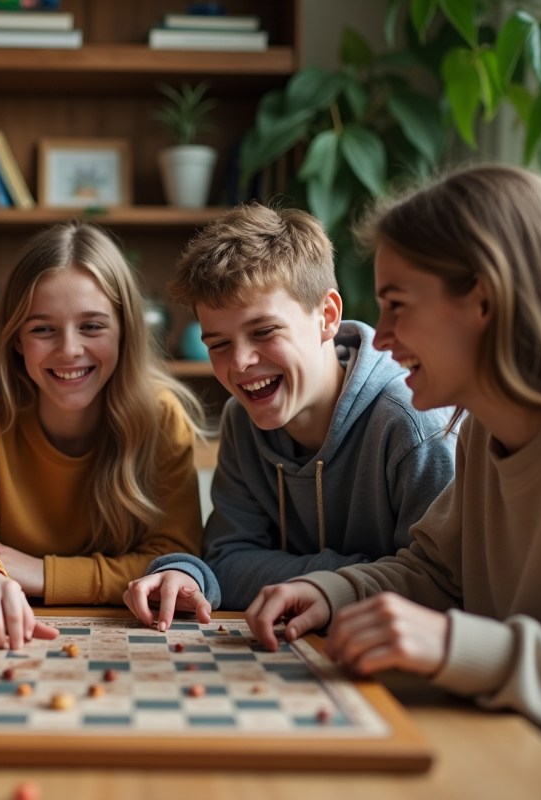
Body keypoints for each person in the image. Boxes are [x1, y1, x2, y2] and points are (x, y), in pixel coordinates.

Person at [246, 165, 541, 794]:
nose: (387, 336)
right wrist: (332, 591)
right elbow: (435, 573)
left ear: (484, 299)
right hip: (511, 760)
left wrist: (466, 647)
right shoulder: (486, 432)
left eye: (399, 306)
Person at [124, 204, 454, 630]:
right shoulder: (240, 420)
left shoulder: (412, 424)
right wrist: (192, 573)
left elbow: (439, 585)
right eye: (218, 343)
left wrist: (305, 581)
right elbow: (227, 561)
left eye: (264, 332)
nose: (240, 363)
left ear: (327, 317)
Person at [0, 222, 205, 650]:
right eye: (43, 329)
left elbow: (174, 561)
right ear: (15, 338)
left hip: (134, 638)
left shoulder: (162, 417)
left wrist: (43, 574)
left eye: (92, 326)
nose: (69, 349)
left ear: (125, 330)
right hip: (10, 631)